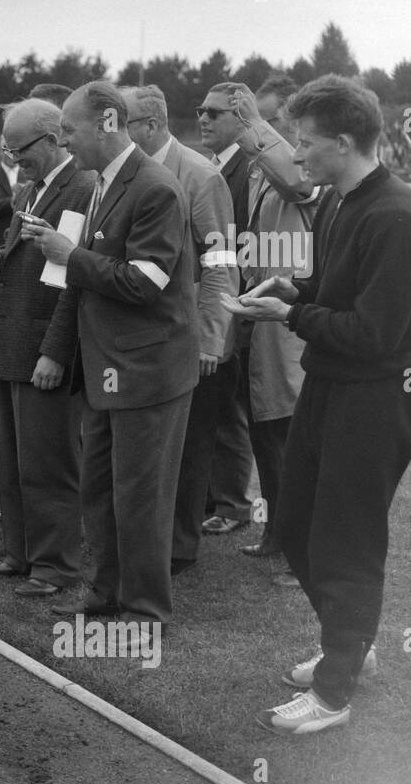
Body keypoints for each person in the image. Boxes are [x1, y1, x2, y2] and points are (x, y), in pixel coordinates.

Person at [239, 76, 411, 734]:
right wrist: (289, 286)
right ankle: (351, 639)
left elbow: (372, 333)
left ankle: (334, 691)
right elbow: (329, 287)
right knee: (296, 523)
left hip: (378, 396)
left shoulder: (399, 217)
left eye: (306, 142)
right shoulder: (337, 202)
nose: (297, 154)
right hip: (331, 384)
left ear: (345, 143)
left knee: (346, 541)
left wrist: (290, 312)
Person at [28, 81, 199, 630]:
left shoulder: (155, 187)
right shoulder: (101, 181)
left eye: (70, 131)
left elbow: (146, 282)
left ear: (106, 122)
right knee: (99, 489)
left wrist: (69, 256)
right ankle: (102, 593)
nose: (64, 142)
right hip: (106, 368)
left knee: (141, 497)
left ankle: (146, 611)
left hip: (147, 371)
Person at [0, 97, 93, 598]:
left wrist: (55, 351)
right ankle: (20, 551)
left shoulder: (80, 189)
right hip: (14, 342)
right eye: (7, 148)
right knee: (14, 458)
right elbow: (30, 260)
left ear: (52, 139)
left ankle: (55, 565)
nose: (13, 158)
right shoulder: (31, 186)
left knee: (48, 461)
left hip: (42, 347)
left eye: (20, 149)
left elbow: (70, 279)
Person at [122, 83, 238, 576]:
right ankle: (143, 538)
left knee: (188, 447)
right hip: (139, 335)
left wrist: (212, 338)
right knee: (146, 444)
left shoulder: (199, 175)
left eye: (119, 123)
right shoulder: (126, 173)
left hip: (189, 336)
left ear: (150, 125)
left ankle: (178, 548)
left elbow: (220, 263)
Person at [230, 77, 320, 583]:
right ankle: (277, 534)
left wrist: (256, 128)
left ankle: (301, 547)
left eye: (267, 119)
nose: (256, 129)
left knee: (290, 431)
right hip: (262, 309)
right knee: (266, 428)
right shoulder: (265, 164)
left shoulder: (305, 167)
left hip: (290, 315)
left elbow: (299, 184)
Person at [198, 82, 257, 537]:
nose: (203, 119)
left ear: (240, 118)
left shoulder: (248, 169)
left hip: (232, 298)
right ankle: (212, 495)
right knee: (209, 406)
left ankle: (234, 502)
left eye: (214, 113)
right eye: (200, 111)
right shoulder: (210, 166)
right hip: (213, 294)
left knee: (228, 407)